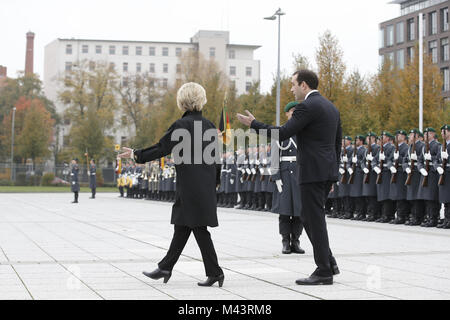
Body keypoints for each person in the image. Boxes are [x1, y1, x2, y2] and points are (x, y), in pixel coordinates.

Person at [237, 69, 341, 285]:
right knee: (310, 216)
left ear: (304, 85)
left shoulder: (306, 106)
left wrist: (254, 124)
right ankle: (329, 262)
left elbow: (282, 133)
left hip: (311, 172)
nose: (292, 89)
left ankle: (323, 271)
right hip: (325, 172)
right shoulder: (331, 107)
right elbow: (337, 144)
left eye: (293, 84)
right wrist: (333, 175)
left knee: (314, 220)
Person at [119, 82, 224, 287]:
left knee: (197, 227)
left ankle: (214, 272)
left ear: (182, 101)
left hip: (190, 185)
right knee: (184, 225)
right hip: (204, 185)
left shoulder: (180, 126)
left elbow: (161, 148)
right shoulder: (210, 126)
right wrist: (216, 182)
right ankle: (168, 267)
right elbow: (216, 158)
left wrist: (135, 154)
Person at [271, 101, 305, 255]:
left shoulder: (304, 132)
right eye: (291, 111)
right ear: (286, 114)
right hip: (284, 175)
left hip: (299, 174)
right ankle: (285, 241)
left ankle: (296, 240)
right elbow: (274, 157)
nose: (293, 113)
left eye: (296, 111)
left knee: (299, 210)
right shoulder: (280, 132)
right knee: (284, 211)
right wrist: (276, 177)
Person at [437, 124, 450, 229]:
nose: (442, 134)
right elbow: (436, 159)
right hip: (443, 173)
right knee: (445, 198)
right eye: (441, 132)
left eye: (444, 132)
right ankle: (446, 219)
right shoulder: (442, 145)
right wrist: (438, 167)